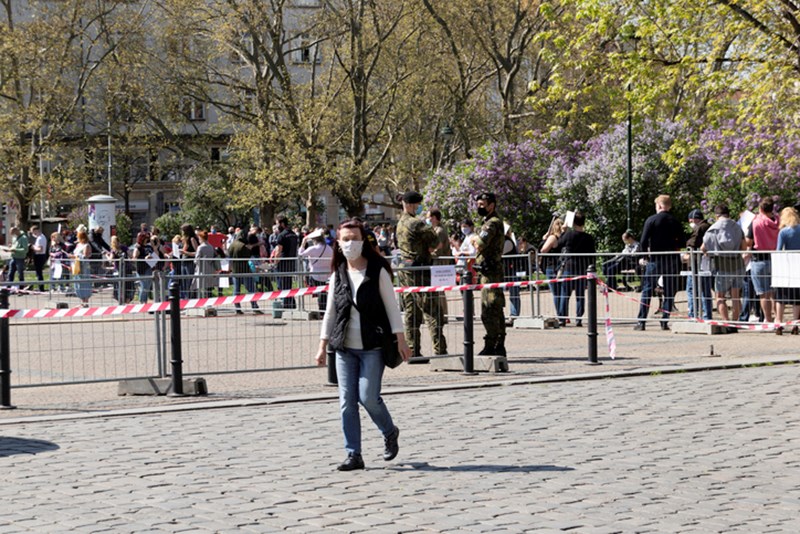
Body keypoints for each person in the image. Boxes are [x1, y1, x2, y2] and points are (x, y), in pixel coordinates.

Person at [314, 218, 411, 471]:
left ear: (363, 240)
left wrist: (401, 340)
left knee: (368, 397)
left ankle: (389, 431)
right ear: (338, 243)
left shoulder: (377, 270)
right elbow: (330, 312)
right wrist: (322, 346)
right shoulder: (338, 274)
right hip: (344, 348)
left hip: (373, 347)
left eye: (354, 238)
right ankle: (353, 454)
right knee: (347, 402)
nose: (350, 243)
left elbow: (392, 307)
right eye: (345, 239)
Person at [396, 190, 447, 362]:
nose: (419, 208)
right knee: (432, 310)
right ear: (411, 204)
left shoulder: (400, 222)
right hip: (420, 270)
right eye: (417, 205)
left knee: (411, 312)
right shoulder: (417, 223)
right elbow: (436, 243)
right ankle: (440, 350)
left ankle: (413, 351)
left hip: (406, 269)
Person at [634, 195, 685, 331]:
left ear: (659, 206)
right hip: (671, 259)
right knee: (669, 292)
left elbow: (644, 241)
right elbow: (682, 242)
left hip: (655, 259)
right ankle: (664, 321)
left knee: (647, 289)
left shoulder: (651, 220)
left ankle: (641, 321)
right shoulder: (675, 221)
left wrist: (644, 255)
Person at [469, 192, 507, 356]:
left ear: (492, 205)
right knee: (494, 309)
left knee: (490, 309)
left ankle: (493, 344)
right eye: (478, 204)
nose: (479, 207)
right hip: (487, 271)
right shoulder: (487, 222)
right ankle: (497, 344)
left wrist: (474, 239)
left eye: (482, 204)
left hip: (491, 272)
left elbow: (479, 244)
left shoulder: (492, 223)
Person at [702, 204, 746, 324]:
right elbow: (744, 247)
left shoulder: (712, 229)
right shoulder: (737, 227)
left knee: (720, 297)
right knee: (736, 296)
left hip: (721, 266)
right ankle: (735, 322)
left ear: (716, 216)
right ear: (728, 214)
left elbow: (703, 247)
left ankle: (726, 322)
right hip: (738, 264)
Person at [556, 212, 596, 327]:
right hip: (582, 268)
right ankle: (578, 319)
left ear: (573, 222)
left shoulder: (568, 235)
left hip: (568, 267)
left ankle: (562, 318)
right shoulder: (589, 238)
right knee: (580, 295)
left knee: (565, 294)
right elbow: (592, 255)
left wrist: (563, 231)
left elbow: (559, 244)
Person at [745, 199, 779, 323]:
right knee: (775, 293)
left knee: (763, 294)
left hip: (759, 260)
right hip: (775, 259)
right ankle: (778, 319)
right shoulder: (778, 221)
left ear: (760, 209)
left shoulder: (755, 222)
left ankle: (768, 320)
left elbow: (748, 241)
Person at [774, 207, 800, 335]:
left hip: (786, 265)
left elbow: (778, 250)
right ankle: (795, 323)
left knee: (781, 297)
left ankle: (779, 322)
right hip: (798, 266)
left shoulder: (783, 232)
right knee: (796, 297)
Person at [684, 210, 713, 320]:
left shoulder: (699, 228)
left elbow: (692, 242)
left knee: (691, 290)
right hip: (705, 263)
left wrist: (687, 250)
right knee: (706, 290)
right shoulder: (709, 226)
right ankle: (707, 315)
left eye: (690, 220)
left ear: (694, 219)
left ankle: (692, 314)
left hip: (696, 263)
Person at [299, 228, 334, 311]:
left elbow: (300, 255)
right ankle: (325, 309)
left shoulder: (313, 249)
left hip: (315, 274)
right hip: (327, 274)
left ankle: (322, 310)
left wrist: (303, 243)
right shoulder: (329, 248)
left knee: (320, 293)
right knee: (324, 292)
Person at [228, 230, 262, 314]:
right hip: (244, 269)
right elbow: (248, 255)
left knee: (236, 290)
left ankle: (237, 308)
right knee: (250, 288)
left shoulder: (232, 245)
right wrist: (249, 248)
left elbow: (229, 255)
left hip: (235, 270)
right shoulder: (243, 246)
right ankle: (254, 306)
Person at [539, 217, 564, 318]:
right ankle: (563, 314)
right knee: (562, 292)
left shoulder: (553, 237)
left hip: (551, 266)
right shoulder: (564, 237)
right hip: (560, 266)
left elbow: (543, 250)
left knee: (556, 293)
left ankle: (560, 314)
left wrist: (543, 240)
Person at [273, 215, 299, 310]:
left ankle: (287, 305)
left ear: (282, 224)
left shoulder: (281, 235)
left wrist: (275, 263)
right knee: (288, 284)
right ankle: (291, 304)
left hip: (282, 263)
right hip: (291, 262)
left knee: (282, 285)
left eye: (277, 224)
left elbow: (278, 251)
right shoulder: (294, 234)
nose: (276, 226)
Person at [502, 223, 522, 318]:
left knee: (514, 293)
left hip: (511, 270)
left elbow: (500, 252)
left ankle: (514, 315)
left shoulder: (508, 241)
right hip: (504, 270)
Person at [192, 230, 218, 299]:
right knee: (209, 289)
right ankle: (210, 305)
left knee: (201, 288)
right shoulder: (211, 246)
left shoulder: (200, 247)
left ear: (201, 238)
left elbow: (196, 260)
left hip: (201, 270)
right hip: (210, 269)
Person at [71, 229, 93, 307]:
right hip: (77, 266)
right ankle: (81, 301)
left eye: (78, 237)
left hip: (83, 266)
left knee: (84, 283)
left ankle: (86, 301)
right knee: (78, 283)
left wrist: (75, 256)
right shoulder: (78, 245)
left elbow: (85, 256)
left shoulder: (86, 245)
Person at [109, 235, 134, 304]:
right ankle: (127, 301)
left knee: (119, 285)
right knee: (128, 285)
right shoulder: (124, 247)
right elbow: (131, 255)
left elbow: (110, 260)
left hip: (119, 270)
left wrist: (107, 256)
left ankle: (121, 302)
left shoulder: (113, 250)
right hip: (127, 268)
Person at [180, 224, 200, 299]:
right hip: (184, 262)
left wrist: (185, 253)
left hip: (190, 262)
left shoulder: (192, 239)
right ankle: (186, 298)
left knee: (190, 281)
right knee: (184, 281)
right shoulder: (185, 240)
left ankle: (192, 298)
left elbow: (197, 252)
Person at [29, 225, 48, 292]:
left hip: (40, 256)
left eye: (33, 232)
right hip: (41, 256)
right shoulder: (41, 237)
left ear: (36, 230)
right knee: (38, 272)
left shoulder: (40, 238)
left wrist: (33, 247)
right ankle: (40, 287)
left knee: (39, 273)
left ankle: (41, 288)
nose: (33, 234)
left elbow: (40, 249)